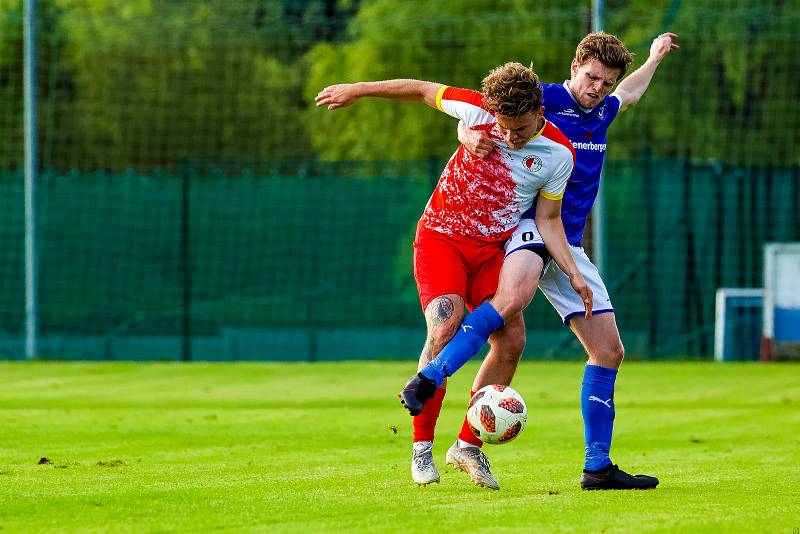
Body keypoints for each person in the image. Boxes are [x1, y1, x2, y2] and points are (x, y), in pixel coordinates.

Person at [403, 31, 679, 491]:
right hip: (528, 229)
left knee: (608, 350)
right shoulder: (545, 99)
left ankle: (596, 467)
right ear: (574, 68)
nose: (597, 88)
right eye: (591, 77)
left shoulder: (605, 107)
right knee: (510, 304)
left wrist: (653, 58)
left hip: (566, 241)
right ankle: (432, 378)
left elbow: (630, 93)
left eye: (605, 82)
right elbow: (488, 109)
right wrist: (464, 131)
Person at [315, 63, 593, 489]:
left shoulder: (558, 155)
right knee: (445, 324)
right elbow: (421, 89)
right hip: (441, 238)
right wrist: (358, 88)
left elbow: (549, 220)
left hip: (490, 251)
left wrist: (573, 273)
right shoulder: (477, 111)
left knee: (513, 339)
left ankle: (466, 444)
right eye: (503, 126)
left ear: (540, 110)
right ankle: (421, 448)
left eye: (519, 128)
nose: (510, 136)